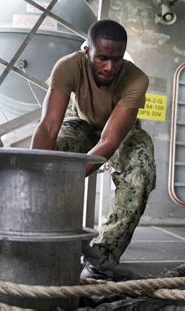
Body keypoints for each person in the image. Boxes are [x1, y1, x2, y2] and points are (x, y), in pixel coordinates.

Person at [30, 19, 156, 279]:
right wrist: (36, 179)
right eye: (102, 58)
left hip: (121, 131)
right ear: (87, 50)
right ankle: (38, 236)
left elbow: (110, 140)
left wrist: (68, 178)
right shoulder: (67, 66)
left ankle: (103, 257)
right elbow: (48, 127)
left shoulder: (136, 79)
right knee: (51, 157)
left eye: (117, 59)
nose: (109, 67)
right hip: (81, 123)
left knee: (141, 170)